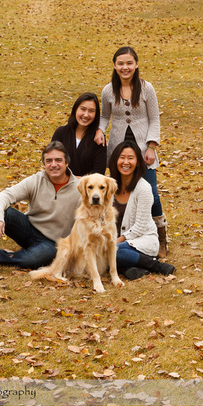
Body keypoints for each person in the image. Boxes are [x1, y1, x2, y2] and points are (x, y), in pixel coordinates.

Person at [0, 141, 81, 273]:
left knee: (31, 261)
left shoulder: (80, 188)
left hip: (52, 242)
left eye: (58, 160)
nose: (53, 165)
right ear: (44, 164)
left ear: (66, 163)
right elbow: (4, 196)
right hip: (29, 229)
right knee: (6, 213)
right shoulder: (36, 180)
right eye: (49, 161)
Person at [94, 46, 168, 258]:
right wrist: (100, 129)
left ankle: (160, 238)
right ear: (115, 66)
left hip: (144, 147)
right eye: (120, 63)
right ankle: (120, 231)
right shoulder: (108, 90)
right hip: (118, 148)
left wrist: (152, 146)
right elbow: (105, 116)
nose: (125, 67)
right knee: (120, 190)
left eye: (129, 63)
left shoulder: (146, 89)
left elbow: (154, 118)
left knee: (151, 192)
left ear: (136, 64)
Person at [108, 140, 175, 280]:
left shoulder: (143, 188)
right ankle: (129, 268)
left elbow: (139, 227)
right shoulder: (107, 185)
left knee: (113, 252)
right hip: (115, 240)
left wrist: (114, 242)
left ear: (138, 162)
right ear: (115, 160)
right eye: (122, 157)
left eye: (130, 158)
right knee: (100, 253)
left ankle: (157, 266)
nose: (126, 162)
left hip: (141, 239)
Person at [52, 92, 107, 177]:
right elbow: (51, 162)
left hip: (86, 188)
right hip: (60, 184)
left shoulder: (98, 138)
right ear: (75, 110)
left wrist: (78, 181)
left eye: (91, 111)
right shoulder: (61, 133)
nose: (86, 115)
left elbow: (98, 173)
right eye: (83, 109)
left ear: (96, 115)